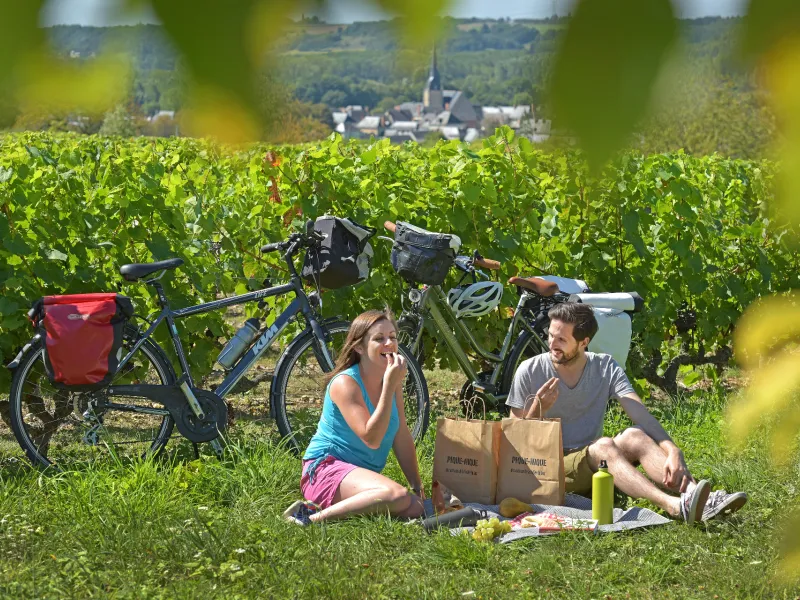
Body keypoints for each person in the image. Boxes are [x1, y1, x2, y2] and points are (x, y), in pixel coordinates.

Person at [506, 303, 747, 524]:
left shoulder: (605, 367)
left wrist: (673, 450)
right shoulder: (530, 370)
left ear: (583, 342)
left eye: (561, 339)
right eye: (550, 335)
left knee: (635, 436)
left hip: (592, 461)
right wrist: (539, 409)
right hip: (549, 468)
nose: (552, 344)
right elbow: (514, 442)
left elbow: (641, 416)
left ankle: (698, 498)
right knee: (603, 447)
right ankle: (674, 506)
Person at [284, 309, 425, 525]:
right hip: (325, 468)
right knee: (397, 496)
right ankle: (309, 518)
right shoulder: (345, 384)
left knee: (416, 507)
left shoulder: (391, 380)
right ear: (359, 347)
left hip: (357, 475)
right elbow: (372, 438)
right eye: (379, 338)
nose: (389, 343)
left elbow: (401, 434)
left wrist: (417, 486)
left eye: (393, 337)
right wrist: (389, 385)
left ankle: (334, 506)